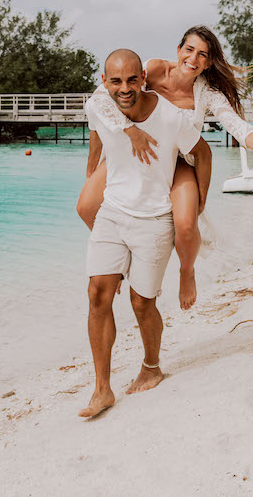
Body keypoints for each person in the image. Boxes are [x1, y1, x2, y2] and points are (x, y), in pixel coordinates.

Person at [77, 25, 253, 298]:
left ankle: (186, 271)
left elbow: (238, 127)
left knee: (187, 225)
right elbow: (100, 101)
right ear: (178, 50)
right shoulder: (151, 70)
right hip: (134, 150)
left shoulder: (208, 94)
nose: (193, 58)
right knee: (85, 206)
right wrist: (116, 144)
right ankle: (115, 261)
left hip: (178, 158)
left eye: (202, 54)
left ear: (209, 62)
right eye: (189, 50)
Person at [79, 48, 212, 418]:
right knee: (97, 295)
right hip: (112, 213)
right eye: (116, 81)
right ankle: (102, 389)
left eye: (131, 80)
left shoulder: (170, 117)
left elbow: (203, 154)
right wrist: (90, 184)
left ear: (143, 79)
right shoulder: (99, 107)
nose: (124, 88)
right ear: (104, 82)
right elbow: (95, 148)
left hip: (154, 219)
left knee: (142, 303)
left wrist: (199, 204)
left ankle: (151, 366)